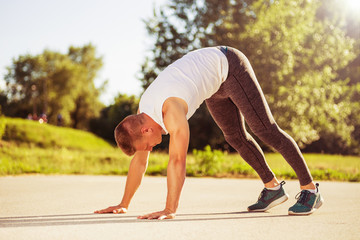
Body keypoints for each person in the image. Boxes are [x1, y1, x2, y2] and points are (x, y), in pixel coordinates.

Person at [95, 46, 324, 219]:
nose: (151, 148)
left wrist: (169, 209)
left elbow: (176, 161)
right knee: (235, 136)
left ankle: (310, 190)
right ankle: (272, 188)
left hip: (230, 66)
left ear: (145, 130)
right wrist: (123, 203)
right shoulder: (143, 114)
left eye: (147, 145)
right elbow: (139, 162)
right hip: (213, 84)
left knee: (264, 129)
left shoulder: (171, 112)